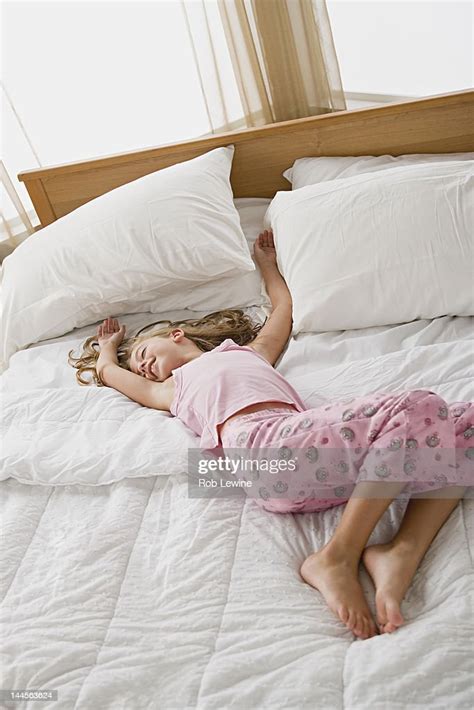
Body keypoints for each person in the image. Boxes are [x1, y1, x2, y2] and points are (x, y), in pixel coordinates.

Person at [69, 230, 473, 640]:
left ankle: (400, 551)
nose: (142, 367)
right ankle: (337, 556)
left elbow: (283, 307)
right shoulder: (172, 389)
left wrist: (267, 264)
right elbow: (111, 374)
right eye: (139, 367)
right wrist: (109, 350)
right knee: (417, 407)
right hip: (265, 452)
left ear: (177, 335)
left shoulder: (252, 353)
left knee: (463, 427)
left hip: (316, 467)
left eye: (142, 354)